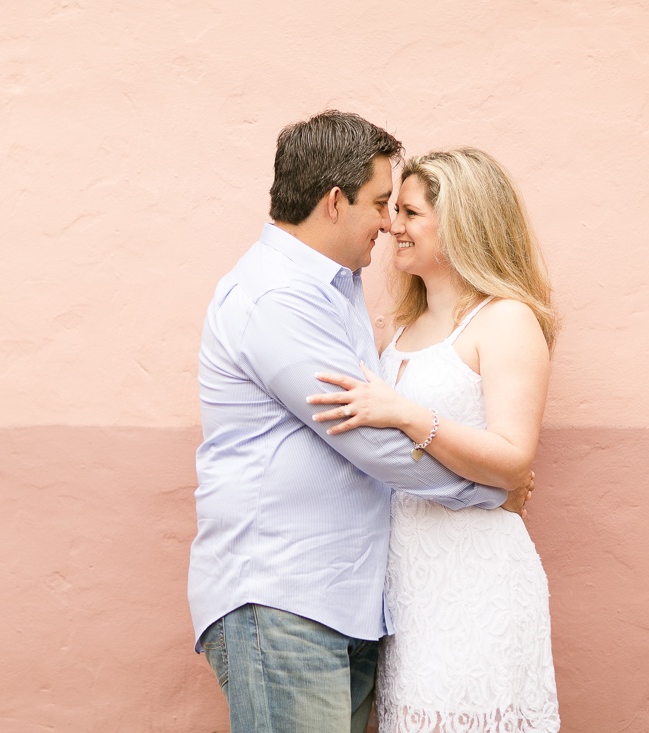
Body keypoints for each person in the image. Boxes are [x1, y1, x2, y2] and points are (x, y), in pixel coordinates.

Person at [188, 113, 534, 733]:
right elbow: (368, 437)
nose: (387, 222)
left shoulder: (337, 288)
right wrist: (487, 489)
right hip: (284, 601)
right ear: (333, 201)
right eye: (380, 203)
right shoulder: (276, 298)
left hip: (347, 604)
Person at [307, 147, 561, 731]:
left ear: (461, 223)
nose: (392, 224)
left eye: (410, 212)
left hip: (476, 575)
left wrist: (408, 414)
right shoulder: (396, 327)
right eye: (392, 208)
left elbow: (514, 458)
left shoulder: (506, 320)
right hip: (408, 581)